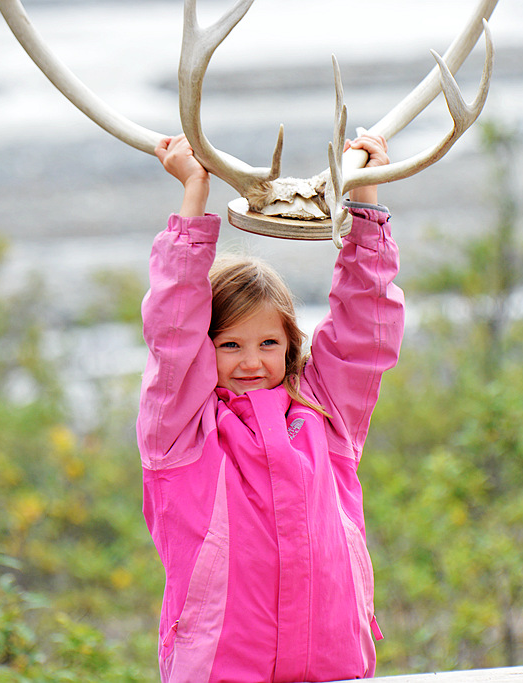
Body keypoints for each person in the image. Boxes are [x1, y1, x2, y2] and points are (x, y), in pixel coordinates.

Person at [137, 132, 405, 683]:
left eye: (267, 343)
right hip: (220, 671)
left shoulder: (324, 417)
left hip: (335, 666)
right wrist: (194, 193)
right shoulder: (182, 433)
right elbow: (172, 330)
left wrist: (368, 204)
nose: (251, 361)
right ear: (205, 345)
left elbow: (364, 329)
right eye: (229, 344)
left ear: (290, 345)